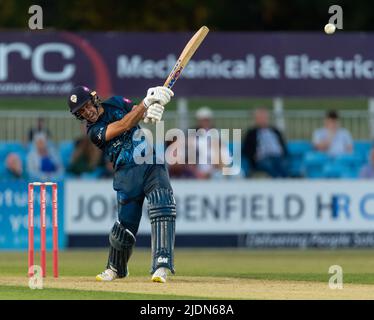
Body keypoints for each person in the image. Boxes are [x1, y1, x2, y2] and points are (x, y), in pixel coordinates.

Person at [67, 85, 175, 283]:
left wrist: (150, 110)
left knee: (163, 207)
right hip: (126, 173)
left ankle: (161, 265)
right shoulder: (93, 131)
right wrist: (146, 102)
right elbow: (124, 125)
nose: (87, 112)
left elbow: (135, 113)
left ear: (94, 99)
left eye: (86, 106)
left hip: (151, 163)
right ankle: (115, 268)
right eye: (81, 112)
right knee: (124, 228)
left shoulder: (115, 102)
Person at [242, 107, 288, 178]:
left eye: (264, 117)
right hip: (262, 158)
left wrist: (283, 154)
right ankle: (279, 181)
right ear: (256, 119)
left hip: (277, 156)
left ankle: (284, 181)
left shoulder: (275, 131)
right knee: (269, 165)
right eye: (260, 117)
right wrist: (253, 157)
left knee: (281, 164)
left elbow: (283, 146)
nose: (263, 119)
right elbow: (246, 149)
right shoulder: (251, 133)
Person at [188, 106, 231, 179]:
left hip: (215, 168)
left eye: (207, 120)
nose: (205, 122)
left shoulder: (217, 133)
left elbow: (223, 154)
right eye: (203, 120)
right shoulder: (192, 135)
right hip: (199, 169)